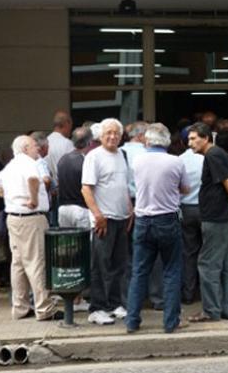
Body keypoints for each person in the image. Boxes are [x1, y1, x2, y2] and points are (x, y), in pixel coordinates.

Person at [0, 136, 63, 321]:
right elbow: (33, 179)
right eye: (33, 145)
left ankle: (20, 307)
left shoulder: (11, 165)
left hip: (14, 218)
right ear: (24, 148)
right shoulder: (30, 163)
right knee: (37, 262)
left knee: (19, 264)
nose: (37, 148)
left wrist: (10, 195)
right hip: (31, 218)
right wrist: (33, 199)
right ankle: (44, 308)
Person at [125, 123, 189, 334]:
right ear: (167, 141)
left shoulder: (137, 160)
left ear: (147, 140)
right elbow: (185, 188)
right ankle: (171, 321)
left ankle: (132, 320)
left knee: (139, 271)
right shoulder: (175, 161)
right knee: (171, 270)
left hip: (143, 218)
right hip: (167, 218)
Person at [187, 122, 228, 323]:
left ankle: (211, 310)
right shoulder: (221, 154)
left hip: (216, 217)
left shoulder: (213, 155)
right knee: (225, 264)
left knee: (208, 264)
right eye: (189, 139)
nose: (190, 143)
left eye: (194, 138)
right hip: (224, 217)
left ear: (205, 138)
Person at [82, 118, 133, 326]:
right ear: (100, 136)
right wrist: (98, 215)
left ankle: (113, 304)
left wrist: (130, 211)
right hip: (104, 219)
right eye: (108, 133)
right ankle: (97, 308)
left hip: (121, 218)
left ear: (121, 137)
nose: (112, 137)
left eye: (116, 133)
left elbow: (124, 186)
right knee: (100, 265)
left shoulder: (122, 155)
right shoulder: (94, 157)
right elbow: (86, 189)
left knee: (118, 265)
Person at [179, 133, 205, 305]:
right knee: (207, 253)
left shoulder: (179, 160)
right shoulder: (205, 160)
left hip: (186, 209)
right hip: (204, 209)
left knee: (188, 252)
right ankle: (206, 293)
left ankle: (188, 293)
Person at [57, 127, 93, 229]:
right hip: (81, 208)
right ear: (89, 143)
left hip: (63, 209)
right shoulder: (86, 162)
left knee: (67, 243)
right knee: (83, 243)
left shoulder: (63, 159)